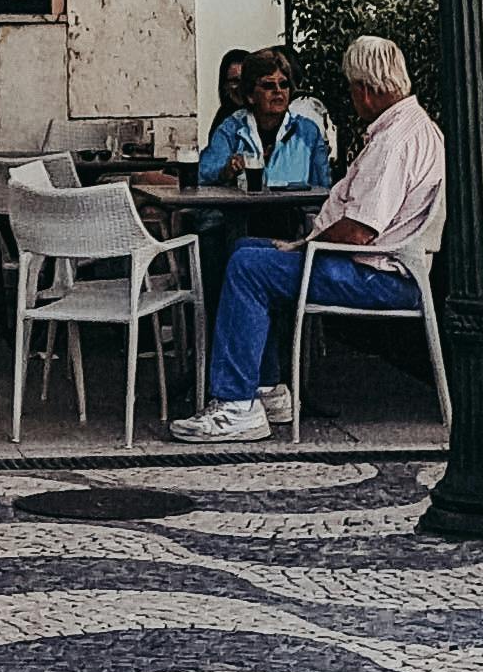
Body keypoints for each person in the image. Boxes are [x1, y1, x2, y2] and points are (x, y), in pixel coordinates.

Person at [170, 34, 442, 445]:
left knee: (248, 267)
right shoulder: (413, 127)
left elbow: (358, 230)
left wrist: (301, 246)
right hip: (381, 267)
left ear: (365, 90)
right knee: (246, 250)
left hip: (379, 276)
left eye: (352, 87)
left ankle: (236, 405)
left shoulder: (394, 142)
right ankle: (269, 391)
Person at [196, 46, 335, 193]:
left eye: (284, 84)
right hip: (242, 214)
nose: (278, 91)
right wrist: (226, 171)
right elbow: (202, 177)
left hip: (294, 213)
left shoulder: (308, 132)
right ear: (250, 95)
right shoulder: (231, 129)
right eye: (268, 85)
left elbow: (322, 190)